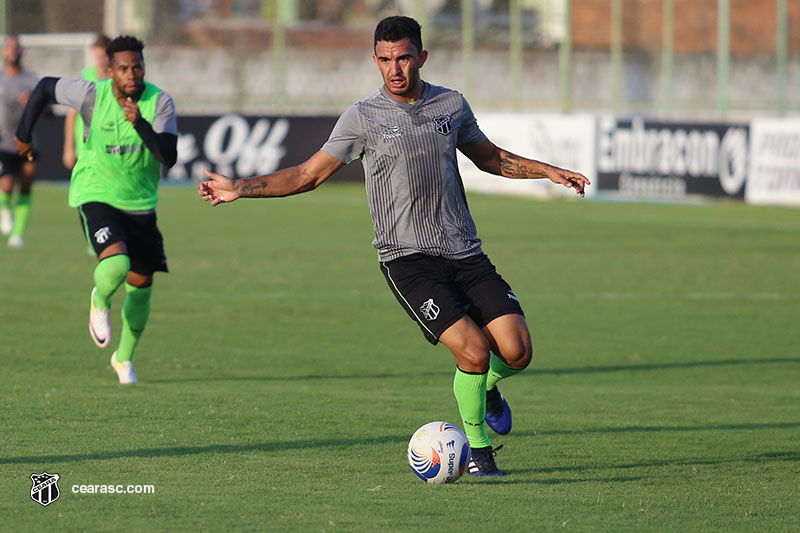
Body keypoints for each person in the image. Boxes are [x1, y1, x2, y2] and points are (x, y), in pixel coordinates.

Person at [198, 16, 589, 476]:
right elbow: (307, 175)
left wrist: (547, 170)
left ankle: (484, 389)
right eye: (384, 60)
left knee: (517, 351)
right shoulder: (363, 118)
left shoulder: (451, 105)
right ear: (375, 60)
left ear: (421, 57)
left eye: (403, 57)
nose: (394, 69)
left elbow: (489, 158)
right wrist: (240, 188)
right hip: (408, 260)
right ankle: (480, 455)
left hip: (465, 252)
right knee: (474, 351)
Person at [15, 35, 178, 385]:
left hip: (141, 205)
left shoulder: (160, 102)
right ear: (110, 71)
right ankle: (99, 298)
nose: (131, 74)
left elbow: (169, 156)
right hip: (96, 192)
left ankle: (124, 359)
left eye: (137, 67)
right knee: (116, 263)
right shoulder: (91, 95)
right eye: (123, 68)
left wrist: (141, 125)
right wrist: (23, 134)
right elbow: (44, 87)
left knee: (141, 287)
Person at [0, 35, 39, 248]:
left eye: (16, 47)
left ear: (21, 51)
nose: (13, 51)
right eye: (9, 47)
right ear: (4, 51)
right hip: (3, 141)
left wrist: (32, 103)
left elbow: (48, 112)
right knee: (5, 185)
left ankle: (18, 234)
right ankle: (5, 208)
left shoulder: (31, 79)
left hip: (27, 141)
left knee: (26, 184)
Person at [62, 33, 110, 171]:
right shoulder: (84, 78)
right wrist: (68, 148)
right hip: (85, 148)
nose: (100, 60)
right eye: (97, 56)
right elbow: (71, 115)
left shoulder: (116, 79)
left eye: (104, 56)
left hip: (109, 147)